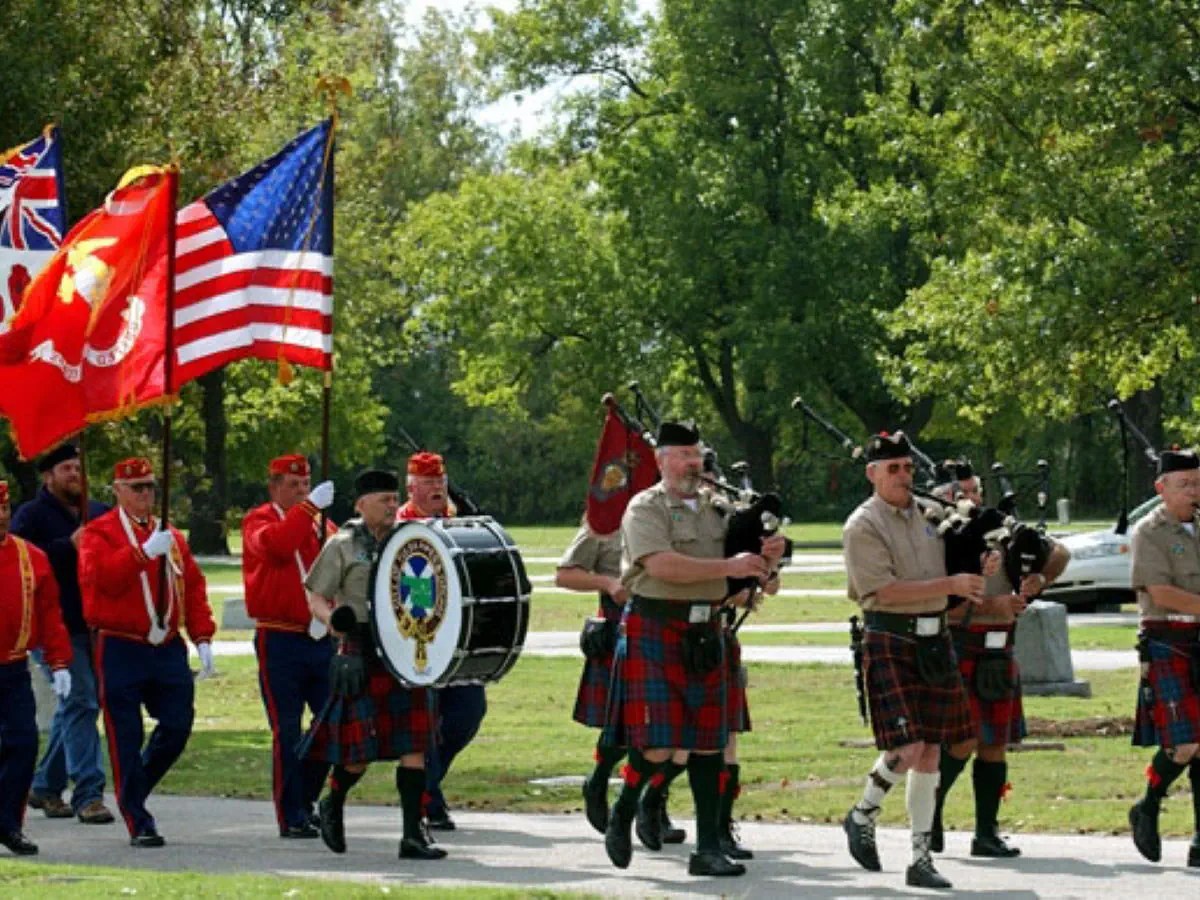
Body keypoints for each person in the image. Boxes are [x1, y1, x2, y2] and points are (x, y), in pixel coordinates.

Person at [601, 420, 785, 877]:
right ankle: (625, 806)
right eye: (683, 455)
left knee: (709, 743)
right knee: (658, 745)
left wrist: (768, 560)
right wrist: (729, 567)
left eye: (696, 454)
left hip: (707, 633)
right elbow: (662, 566)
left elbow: (757, 581)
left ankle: (707, 850)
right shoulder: (644, 508)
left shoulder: (719, 510)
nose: (692, 463)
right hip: (656, 627)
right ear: (661, 460)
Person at [841, 431, 995, 890]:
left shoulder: (932, 514)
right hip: (891, 636)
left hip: (934, 639)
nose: (904, 476)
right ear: (872, 474)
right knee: (907, 748)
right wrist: (951, 585)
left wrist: (978, 566)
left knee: (930, 750)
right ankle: (863, 812)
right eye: (893, 468)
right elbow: (882, 591)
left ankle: (920, 857)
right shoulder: (863, 525)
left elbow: (953, 567)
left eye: (908, 467)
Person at [929, 460, 1069, 858]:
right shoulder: (938, 537)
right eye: (961, 493)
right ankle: (929, 811)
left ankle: (986, 833)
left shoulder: (1000, 529)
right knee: (962, 740)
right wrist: (994, 605)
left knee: (995, 743)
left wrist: (1039, 579)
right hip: (959, 642)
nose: (971, 498)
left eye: (975, 490)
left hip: (999, 648)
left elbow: (1060, 552)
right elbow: (938, 602)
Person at [306, 468, 445, 860]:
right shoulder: (342, 545)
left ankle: (412, 835)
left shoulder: (410, 542)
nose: (391, 506)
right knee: (360, 751)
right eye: (383, 500)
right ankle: (333, 800)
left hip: (405, 643)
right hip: (360, 644)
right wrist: (333, 623)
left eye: (393, 499)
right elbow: (315, 596)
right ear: (360, 505)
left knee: (414, 744)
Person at [79, 457, 215, 847]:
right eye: (137, 488)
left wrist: (202, 635)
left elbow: (192, 586)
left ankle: (133, 789)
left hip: (166, 645)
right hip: (121, 644)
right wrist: (140, 554)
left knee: (177, 723)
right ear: (118, 491)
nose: (145, 494)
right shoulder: (99, 533)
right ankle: (138, 820)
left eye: (150, 487)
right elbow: (100, 579)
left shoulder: (170, 535)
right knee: (125, 733)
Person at [556, 517, 689, 845]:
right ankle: (599, 779)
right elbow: (565, 575)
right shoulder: (606, 521)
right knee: (625, 729)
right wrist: (607, 583)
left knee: (669, 730)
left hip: (671, 627)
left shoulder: (673, 515)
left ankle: (653, 804)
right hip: (622, 628)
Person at [13, 442, 115, 824]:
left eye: (77, 468)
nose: (75, 475)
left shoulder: (99, 513)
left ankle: (44, 785)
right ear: (49, 476)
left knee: (80, 703)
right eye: (66, 469)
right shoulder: (31, 516)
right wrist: (67, 546)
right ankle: (89, 793)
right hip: (54, 627)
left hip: (95, 624)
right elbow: (23, 564)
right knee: (82, 700)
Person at [242, 453, 337, 839]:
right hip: (279, 638)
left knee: (331, 721)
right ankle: (290, 813)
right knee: (286, 728)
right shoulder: (259, 520)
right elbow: (278, 547)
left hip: (319, 636)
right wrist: (310, 507)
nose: (301, 491)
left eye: (306, 484)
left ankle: (306, 796)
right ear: (275, 486)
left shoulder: (320, 525)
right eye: (294, 485)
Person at [394, 450, 486, 833]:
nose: (437, 489)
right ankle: (428, 796)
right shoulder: (401, 526)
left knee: (468, 712)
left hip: (457, 638)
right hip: (419, 637)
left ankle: (430, 781)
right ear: (411, 488)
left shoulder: (458, 521)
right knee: (425, 719)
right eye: (428, 483)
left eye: (440, 482)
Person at [1128, 447, 1200, 868]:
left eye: (1199, 483)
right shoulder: (1148, 532)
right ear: (1161, 488)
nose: (1194, 491)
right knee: (1185, 743)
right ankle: (1149, 803)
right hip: (1168, 637)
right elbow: (1161, 593)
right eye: (1185, 484)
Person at [0, 479, 73, 856]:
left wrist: (59, 662)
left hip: (13, 670)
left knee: (24, 743)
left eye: (3, 509)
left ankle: (8, 823)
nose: (0, 517)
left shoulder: (31, 557)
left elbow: (49, 614)